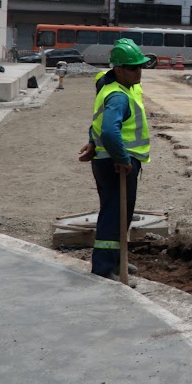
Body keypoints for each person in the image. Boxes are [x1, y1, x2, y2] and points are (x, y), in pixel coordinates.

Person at [78, 38, 152, 286]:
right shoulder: (118, 96)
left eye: (141, 66)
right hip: (116, 163)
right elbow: (109, 131)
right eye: (133, 67)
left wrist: (91, 140)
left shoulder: (116, 84)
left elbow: (96, 121)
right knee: (113, 214)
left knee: (120, 214)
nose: (139, 71)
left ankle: (117, 258)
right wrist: (122, 158)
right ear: (119, 70)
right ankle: (104, 268)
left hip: (114, 159)